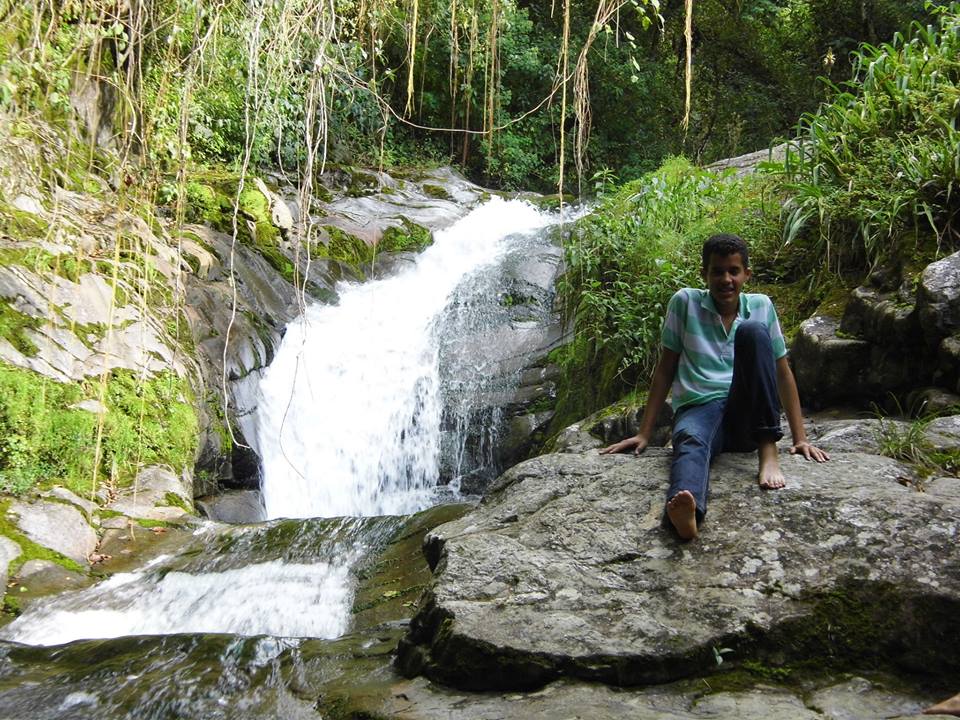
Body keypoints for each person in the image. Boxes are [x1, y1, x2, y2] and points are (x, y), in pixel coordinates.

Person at [601, 233, 829, 540]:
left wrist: (800, 438)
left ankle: (768, 452)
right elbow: (665, 369)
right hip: (700, 408)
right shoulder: (685, 303)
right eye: (717, 272)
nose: (726, 280)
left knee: (753, 331)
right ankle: (688, 512)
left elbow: (783, 374)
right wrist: (644, 432)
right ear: (704, 274)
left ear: (747, 274)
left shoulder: (761, 306)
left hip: (747, 418)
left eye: (734, 271)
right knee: (690, 440)